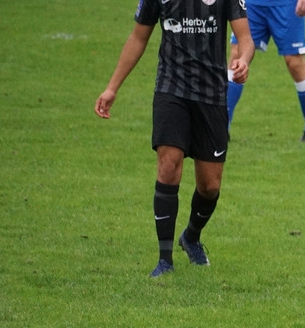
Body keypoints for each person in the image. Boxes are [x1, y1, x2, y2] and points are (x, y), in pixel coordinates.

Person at [95, 0, 254, 277]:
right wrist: (112, 88)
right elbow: (138, 37)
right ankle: (165, 260)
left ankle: (191, 237)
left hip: (211, 95)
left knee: (210, 186)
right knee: (168, 167)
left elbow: (246, 38)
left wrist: (244, 60)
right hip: (171, 90)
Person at [226, 0, 305, 142]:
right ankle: (222, 127)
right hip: (252, 3)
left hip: (287, 4)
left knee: (294, 63)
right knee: (237, 54)